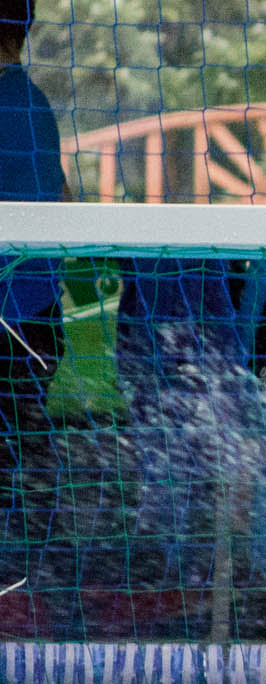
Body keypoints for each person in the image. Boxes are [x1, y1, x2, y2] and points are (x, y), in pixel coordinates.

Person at [0, 0, 65, 490]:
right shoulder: (34, 103)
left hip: (13, 322)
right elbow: (64, 195)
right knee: (24, 464)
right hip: (38, 319)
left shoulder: (11, 105)